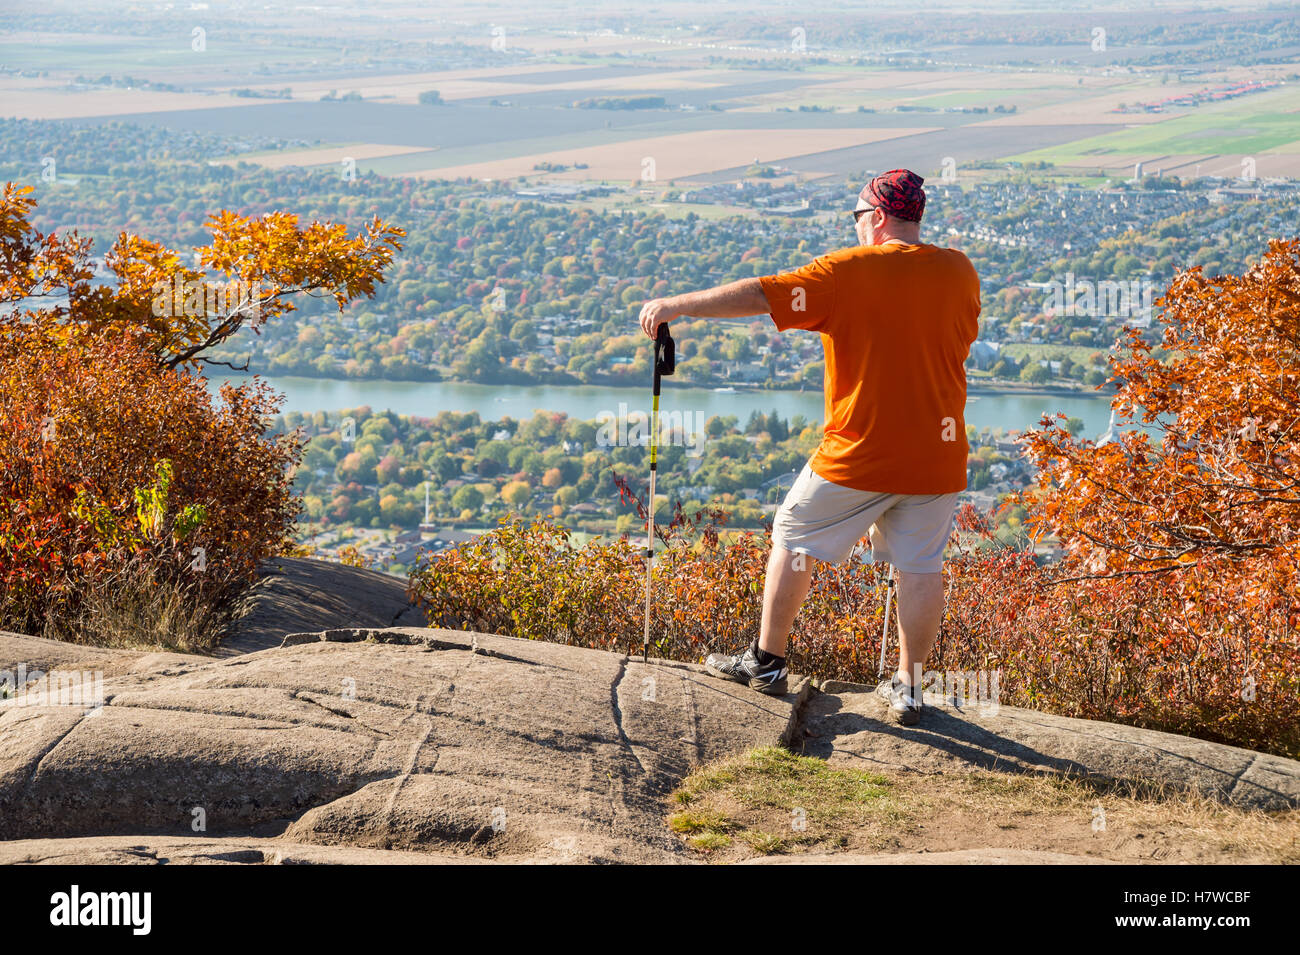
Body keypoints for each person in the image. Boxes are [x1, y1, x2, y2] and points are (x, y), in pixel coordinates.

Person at [637, 169, 980, 725]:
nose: (854, 228)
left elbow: (762, 293)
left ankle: (767, 663)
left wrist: (679, 306)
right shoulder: (960, 272)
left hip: (860, 451)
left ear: (877, 218)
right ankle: (911, 687)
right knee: (920, 567)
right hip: (937, 457)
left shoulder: (848, 272)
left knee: (793, 533)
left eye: (856, 218)